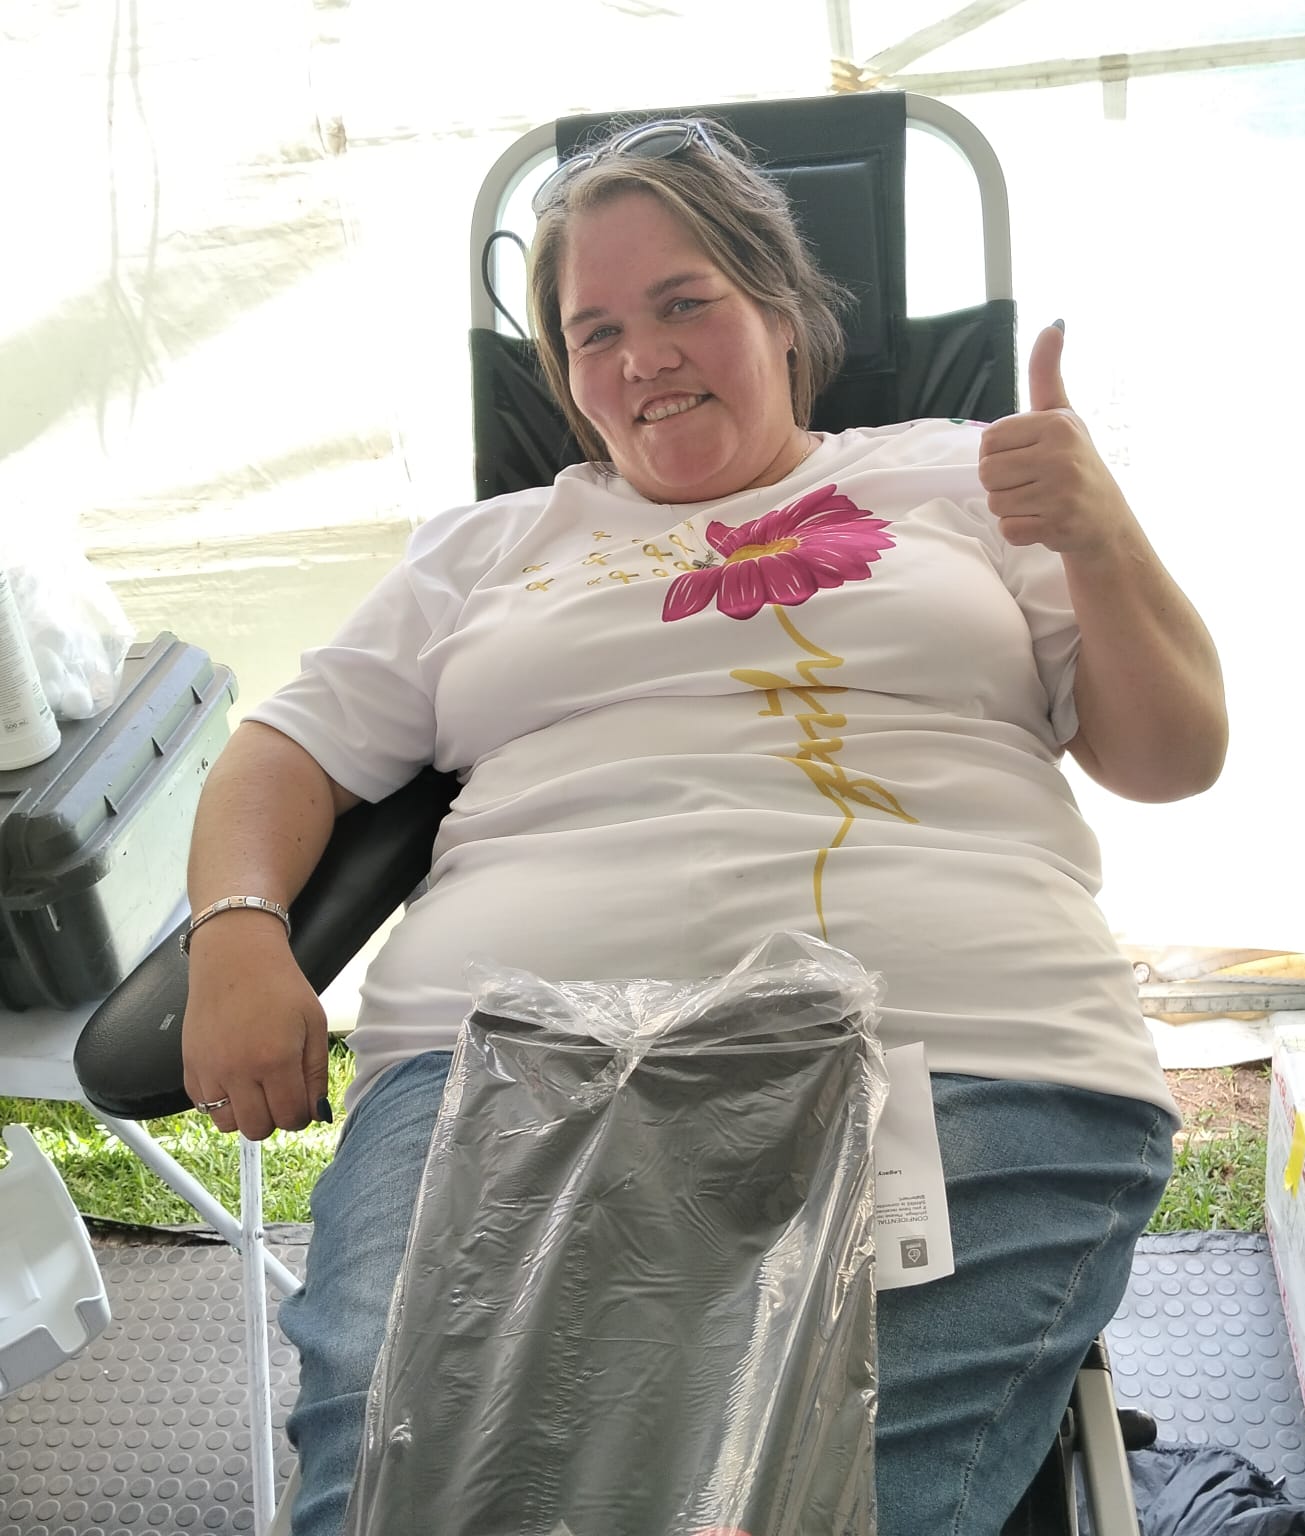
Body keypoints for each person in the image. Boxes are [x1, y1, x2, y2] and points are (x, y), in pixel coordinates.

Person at [180, 116, 1227, 1536]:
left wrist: (1099, 534)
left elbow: (1171, 758)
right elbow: (285, 750)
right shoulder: (489, 548)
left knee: (811, 1501)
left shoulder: (966, 480)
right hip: (508, 1059)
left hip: (948, 1045)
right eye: (596, 331)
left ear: (783, 314)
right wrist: (237, 937)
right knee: (411, 1492)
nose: (644, 358)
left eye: (685, 303)